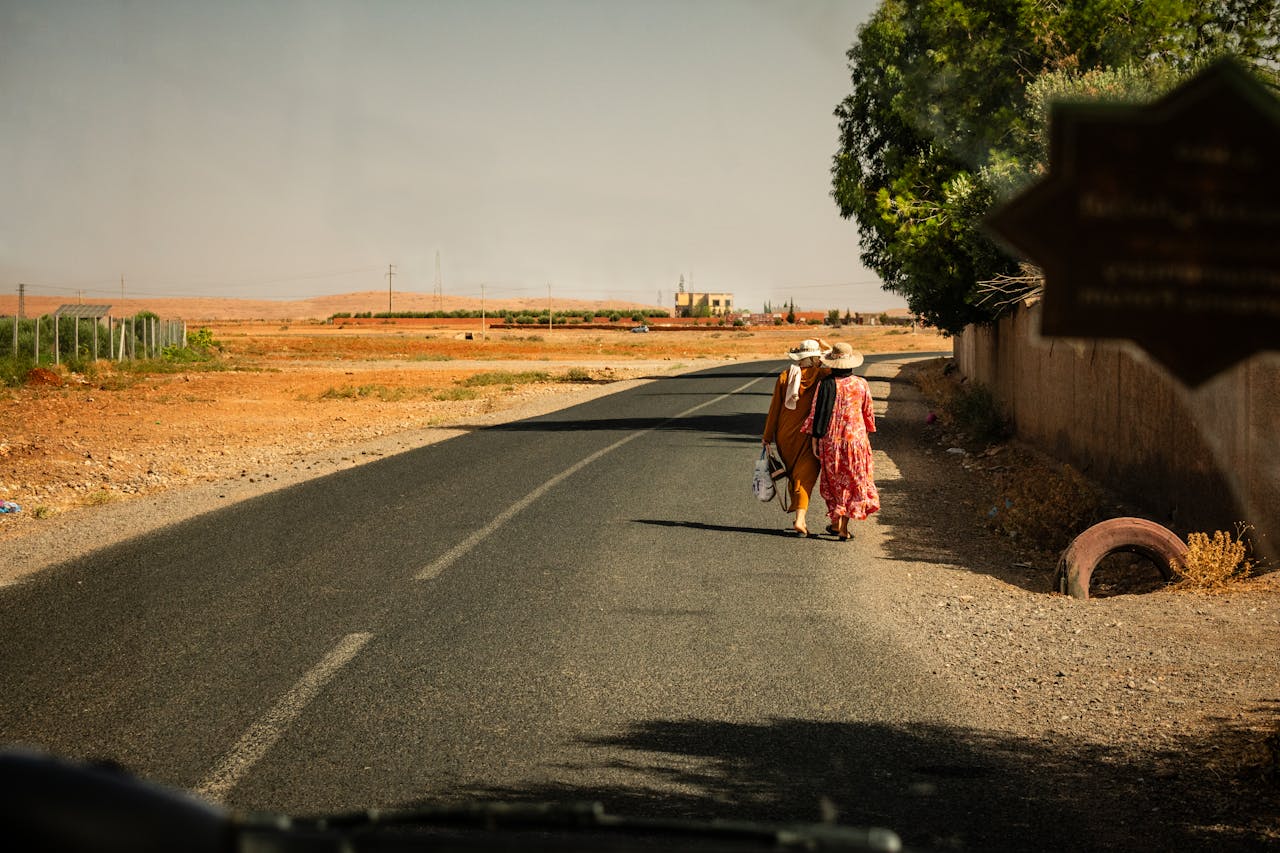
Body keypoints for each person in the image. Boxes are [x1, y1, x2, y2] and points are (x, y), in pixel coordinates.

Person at [803, 342, 879, 541]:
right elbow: (868, 413)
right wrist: (866, 434)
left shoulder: (825, 384)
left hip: (831, 441)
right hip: (856, 442)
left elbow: (815, 413)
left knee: (835, 482)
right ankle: (842, 527)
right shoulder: (861, 384)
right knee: (853, 482)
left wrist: (814, 438)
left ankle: (837, 522)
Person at [761, 338, 830, 537]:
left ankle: (797, 512)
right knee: (805, 475)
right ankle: (800, 519)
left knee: (794, 472)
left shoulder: (785, 376)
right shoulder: (823, 376)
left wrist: (767, 436)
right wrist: (826, 347)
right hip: (811, 435)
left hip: (785, 434)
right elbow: (840, 363)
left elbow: (774, 408)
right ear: (817, 358)